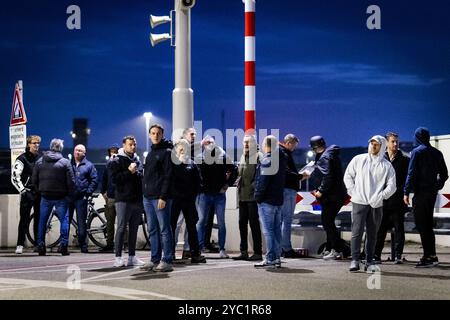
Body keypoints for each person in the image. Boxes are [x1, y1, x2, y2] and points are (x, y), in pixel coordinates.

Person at [344, 135, 396, 272]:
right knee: (356, 232)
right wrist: (353, 192)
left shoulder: (387, 166)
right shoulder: (358, 160)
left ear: (382, 146)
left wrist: (381, 197)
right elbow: (348, 176)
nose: (373, 146)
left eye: (377, 144)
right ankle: (354, 260)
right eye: (371, 143)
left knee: (373, 234)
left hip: (376, 204)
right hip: (359, 202)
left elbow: (392, 186)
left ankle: (369, 261)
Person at [404, 127, 448, 268]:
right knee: (428, 225)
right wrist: (437, 186)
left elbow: (411, 174)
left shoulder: (416, 152)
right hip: (431, 194)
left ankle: (427, 257)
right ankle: (432, 255)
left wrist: (406, 192)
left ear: (417, 137)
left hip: (420, 194)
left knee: (422, 226)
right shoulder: (437, 153)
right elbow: (445, 174)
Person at [32, 139, 75, 256]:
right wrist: (69, 195)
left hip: (45, 196)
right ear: (60, 148)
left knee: (42, 221)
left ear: (51, 147)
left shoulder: (40, 161)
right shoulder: (65, 162)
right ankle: (63, 246)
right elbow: (71, 181)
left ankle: (40, 245)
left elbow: (34, 180)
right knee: (64, 221)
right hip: (61, 197)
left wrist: (40, 191)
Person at [196, 136, 238, 258]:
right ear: (203, 144)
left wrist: (227, 185)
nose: (209, 144)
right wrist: (199, 188)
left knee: (221, 223)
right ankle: (198, 249)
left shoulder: (222, 156)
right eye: (207, 142)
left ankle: (222, 249)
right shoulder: (200, 157)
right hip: (204, 194)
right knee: (201, 221)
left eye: (211, 142)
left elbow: (234, 170)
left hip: (219, 195)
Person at [309, 136, 349, 260]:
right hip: (336, 195)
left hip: (331, 197)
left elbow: (328, 177)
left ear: (315, 147)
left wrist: (320, 191)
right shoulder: (330, 154)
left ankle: (338, 249)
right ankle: (331, 248)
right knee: (329, 222)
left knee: (327, 222)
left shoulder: (325, 157)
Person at [141, 124, 175, 272]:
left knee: (164, 229)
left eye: (158, 133)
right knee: (153, 229)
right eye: (153, 133)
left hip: (159, 198)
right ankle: (154, 259)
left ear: (162, 135)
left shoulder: (167, 152)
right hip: (147, 198)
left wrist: (163, 196)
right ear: (149, 135)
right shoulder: (150, 153)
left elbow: (168, 176)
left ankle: (167, 260)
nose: (155, 136)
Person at [374, 132, 410, 264]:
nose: (395, 144)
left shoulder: (405, 160)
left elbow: (407, 180)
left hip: (398, 202)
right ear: (387, 143)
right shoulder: (380, 159)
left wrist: (400, 193)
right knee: (380, 229)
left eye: (397, 142)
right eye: (393, 141)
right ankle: (376, 255)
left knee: (399, 229)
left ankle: (398, 255)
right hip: (383, 201)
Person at [110, 136, 145, 267]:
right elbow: (114, 180)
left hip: (136, 199)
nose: (133, 147)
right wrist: (129, 172)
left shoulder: (137, 159)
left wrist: (136, 173)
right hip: (123, 199)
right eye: (130, 144)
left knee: (134, 229)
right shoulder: (117, 160)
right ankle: (118, 257)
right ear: (124, 145)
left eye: (134, 144)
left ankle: (132, 256)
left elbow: (141, 176)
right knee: (121, 228)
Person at [170, 139, 206, 263]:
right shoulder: (172, 164)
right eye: (180, 148)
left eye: (185, 148)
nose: (183, 151)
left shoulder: (192, 164)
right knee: (172, 226)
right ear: (176, 150)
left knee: (192, 227)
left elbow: (199, 182)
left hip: (189, 201)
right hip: (175, 201)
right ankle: (170, 253)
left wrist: (193, 195)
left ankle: (195, 254)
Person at [254, 135, 286, 268]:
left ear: (266, 145)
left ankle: (270, 258)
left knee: (268, 231)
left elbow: (263, 181)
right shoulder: (281, 159)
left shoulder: (267, 160)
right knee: (277, 230)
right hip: (278, 199)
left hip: (267, 200)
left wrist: (258, 197)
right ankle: (277, 257)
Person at [232, 134, 263, 261]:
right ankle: (243, 251)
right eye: (244, 142)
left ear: (254, 143)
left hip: (252, 197)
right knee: (242, 224)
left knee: (254, 225)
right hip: (242, 197)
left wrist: (252, 187)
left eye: (248, 142)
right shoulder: (243, 156)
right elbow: (241, 174)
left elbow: (261, 176)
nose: (245, 144)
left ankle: (257, 252)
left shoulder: (259, 156)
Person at [11, 135, 42, 254]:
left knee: (39, 220)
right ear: (28, 144)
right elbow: (14, 177)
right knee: (23, 220)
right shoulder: (22, 158)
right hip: (27, 193)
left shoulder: (41, 158)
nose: (36, 145)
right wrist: (23, 190)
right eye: (34, 143)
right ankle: (20, 244)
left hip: (39, 193)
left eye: (38, 143)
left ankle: (38, 244)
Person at [279, 134, 306, 258]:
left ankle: (280, 248)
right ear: (289, 142)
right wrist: (300, 176)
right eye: (294, 145)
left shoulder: (281, 152)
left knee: (282, 220)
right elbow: (286, 172)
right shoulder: (284, 153)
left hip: (284, 189)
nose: (295, 148)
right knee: (287, 219)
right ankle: (286, 248)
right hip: (288, 189)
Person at [68, 144, 98, 253]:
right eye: (76, 150)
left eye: (80, 151)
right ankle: (64, 244)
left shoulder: (89, 165)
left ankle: (83, 245)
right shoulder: (68, 164)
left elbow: (94, 180)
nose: (77, 152)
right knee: (66, 221)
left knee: (81, 223)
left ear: (84, 153)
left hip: (81, 198)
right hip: (69, 197)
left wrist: (88, 192)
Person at [100, 144, 119, 252]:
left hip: (121, 197)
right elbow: (104, 178)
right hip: (111, 196)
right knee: (110, 223)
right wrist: (103, 192)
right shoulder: (108, 164)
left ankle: (123, 244)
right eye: (112, 151)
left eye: (115, 151)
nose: (113, 153)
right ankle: (110, 244)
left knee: (122, 223)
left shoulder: (122, 162)